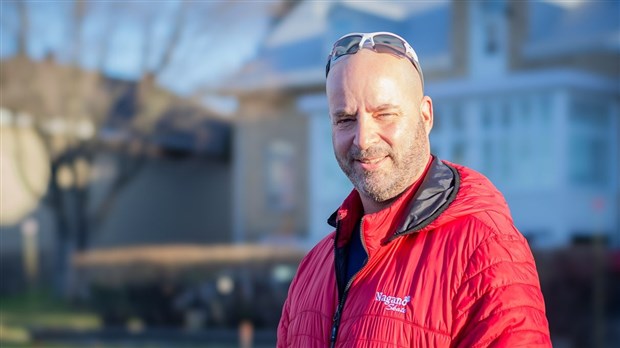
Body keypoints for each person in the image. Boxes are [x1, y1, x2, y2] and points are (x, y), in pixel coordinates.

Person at [277, 32, 552, 347]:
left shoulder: (485, 251)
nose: (363, 139)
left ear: (425, 116)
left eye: (385, 115)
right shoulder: (313, 267)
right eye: (345, 119)